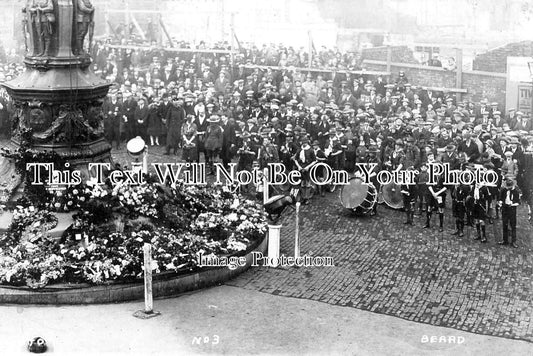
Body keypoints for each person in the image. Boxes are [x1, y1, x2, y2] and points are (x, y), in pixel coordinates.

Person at [498, 176, 521, 247]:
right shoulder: (504, 190)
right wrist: (500, 203)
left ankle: (513, 241)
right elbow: (500, 198)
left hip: (512, 210)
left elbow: (518, 202)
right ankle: (505, 240)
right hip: (505, 209)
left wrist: (513, 204)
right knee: (505, 224)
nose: (508, 188)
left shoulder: (516, 192)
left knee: (513, 226)